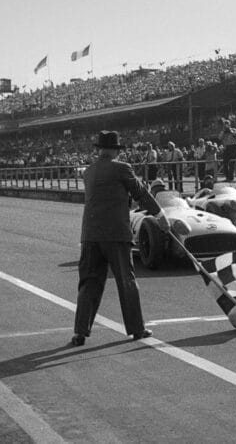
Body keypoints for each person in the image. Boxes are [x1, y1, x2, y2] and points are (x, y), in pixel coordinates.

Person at [71, 131, 170, 346]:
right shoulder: (122, 168)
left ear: (99, 149)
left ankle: (80, 331)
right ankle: (136, 328)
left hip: (90, 234)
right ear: (115, 150)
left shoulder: (88, 171)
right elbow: (140, 193)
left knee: (89, 282)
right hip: (115, 233)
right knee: (126, 280)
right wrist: (160, 215)